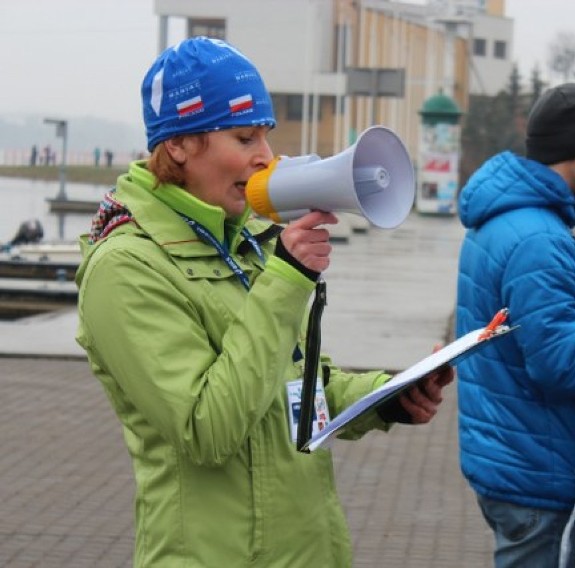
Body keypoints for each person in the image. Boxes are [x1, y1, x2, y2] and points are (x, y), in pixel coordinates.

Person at [74, 36, 453, 568]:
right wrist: (288, 277)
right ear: (179, 144)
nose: (266, 158)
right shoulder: (127, 268)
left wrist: (386, 395)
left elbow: (302, 397)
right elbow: (208, 429)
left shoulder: (249, 240)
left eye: (267, 137)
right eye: (245, 137)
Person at [454, 83, 575, 568]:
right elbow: (564, 365)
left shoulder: (506, 220)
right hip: (536, 471)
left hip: (512, 457)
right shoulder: (539, 240)